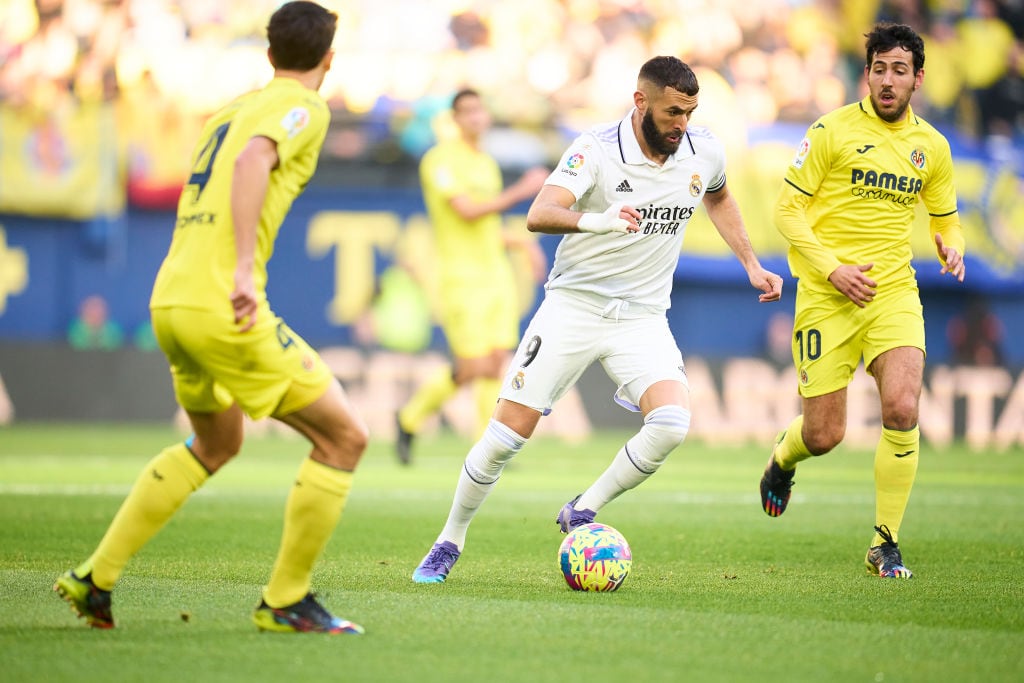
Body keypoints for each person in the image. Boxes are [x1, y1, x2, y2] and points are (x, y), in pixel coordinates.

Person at [53, 1, 367, 634]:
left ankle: (94, 577)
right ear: (328, 60)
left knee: (217, 442)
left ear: (269, 52)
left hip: (173, 299)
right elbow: (254, 161)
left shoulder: (228, 110)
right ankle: (285, 600)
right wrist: (245, 271)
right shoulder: (303, 108)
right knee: (344, 438)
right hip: (225, 304)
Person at [411, 56, 784, 583]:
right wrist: (598, 221)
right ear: (640, 102)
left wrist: (751, 263)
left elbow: (719, 196)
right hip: (574, 306)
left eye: (690, 112)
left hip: (642, 317)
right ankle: (450, 538)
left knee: (673, 423)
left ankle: (583, 507)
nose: (682, 124)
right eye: (673, 112)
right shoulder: (596, 149)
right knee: (504, 439)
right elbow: (539, 212)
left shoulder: (704, 149)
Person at [759, 22, 966, 579]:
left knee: (902, 406)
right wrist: (832, 268)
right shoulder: (831, 131)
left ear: (918, 79)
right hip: (828, 295)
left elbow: (946, 219)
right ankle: (783, 457)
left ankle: (885, 541)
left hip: (893, 291)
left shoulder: (933, 148)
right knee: (825, 434)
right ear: (866, 74)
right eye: (879, 69)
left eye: (900, 70)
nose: (888, 80)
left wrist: (953, 245)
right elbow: (786, 210)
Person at [394, 88, 548, 464]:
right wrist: (524, 191)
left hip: (495, 274)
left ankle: (485, 450)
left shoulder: (486, 163)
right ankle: (410, 417)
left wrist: (520, 244)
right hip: (461, 278)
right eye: (467, 111)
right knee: (474, 365)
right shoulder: (439, 161)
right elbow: (466, 212)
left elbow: (486, 224)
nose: (476, 117)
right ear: (455, 119)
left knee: (495, 362)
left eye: (480, 109)